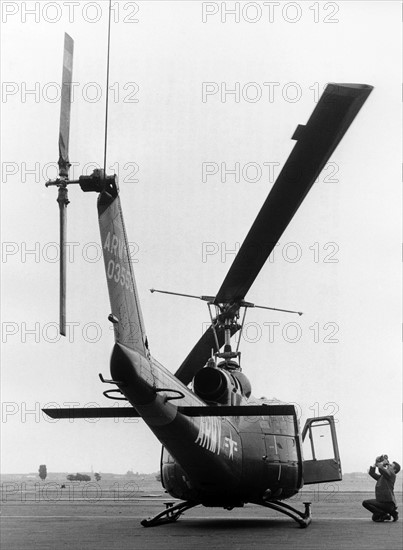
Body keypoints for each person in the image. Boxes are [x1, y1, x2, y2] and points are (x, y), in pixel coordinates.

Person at [362, 455, 400, 522]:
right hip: (382, 502)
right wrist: (376, 463)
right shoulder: (383, 476)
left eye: (391, 465)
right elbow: (372, 473)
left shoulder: (392, 475)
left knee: (365, 503)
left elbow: (381, 469)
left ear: (394, 470)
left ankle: (385, 514)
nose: (388, 465)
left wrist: (382, 463)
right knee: (375, 518)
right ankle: (390, 513)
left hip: (388, 503)